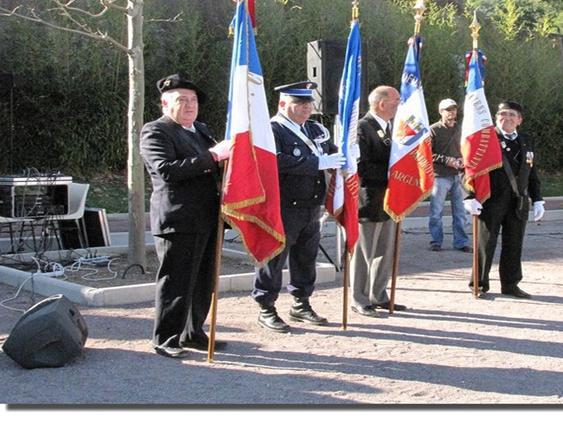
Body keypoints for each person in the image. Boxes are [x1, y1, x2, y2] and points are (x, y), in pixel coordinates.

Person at [140, 73, 231, 358]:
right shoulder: (156, 131)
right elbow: (167, 170)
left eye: (193, 100)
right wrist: (213, 157)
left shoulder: (200, 130)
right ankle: (166, 338)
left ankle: (192, 333)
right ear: (165, 104)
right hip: (179, 219)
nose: (190, 105)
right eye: (181, 100)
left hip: (208, 216)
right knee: (176, 281)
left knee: (204, 281)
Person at [251, 81, 346, 333]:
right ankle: (266, 307)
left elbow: (332, 152)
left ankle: (301, 303)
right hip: (282, 206)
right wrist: (317, 163)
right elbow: (273, 161)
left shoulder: (315, 129)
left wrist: (347, 154)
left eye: (308, 103)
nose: (306, 107)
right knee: (273, 258)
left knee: (306, 258)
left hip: (311, 205)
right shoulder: (271, 130)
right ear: (283, 104)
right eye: (299, 103)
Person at [465, 101, 545, 299]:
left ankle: (510, 284)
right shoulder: (485, 138)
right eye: (503, 114)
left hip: (518, 201)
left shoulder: (526, 140)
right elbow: (469, 167)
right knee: (485, 243)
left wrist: (537, 199)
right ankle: (479, 284)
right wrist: (469, 196)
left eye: (512, 115)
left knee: (514, 243)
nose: (506, 118)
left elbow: (531, 171)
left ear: (519, 120)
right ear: (496, 117)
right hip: (491, 199)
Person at [350, 85, 406, 317]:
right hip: (370, 198)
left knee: (385, 250)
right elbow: (360, 166)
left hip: (390, 199)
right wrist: (392, 171)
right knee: (364, 252)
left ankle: (378, 295)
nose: (400, 104)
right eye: (396, 100)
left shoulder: (392, 127)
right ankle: (359, 298)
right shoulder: (362, 127)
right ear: (382, 104)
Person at [428, 98, 472, 253]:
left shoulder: (462, 129)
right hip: (440, 176)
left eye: (453, 109)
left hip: (459, 176)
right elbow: (426, 153)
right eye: (448, 110)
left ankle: (461, 242)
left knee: (460, 212)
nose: (451, 112)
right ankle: (436, 241)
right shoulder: (433, 130)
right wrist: (446, 160)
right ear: (441, 112)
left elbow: (468, 149)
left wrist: (463, 159)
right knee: (436, 212)